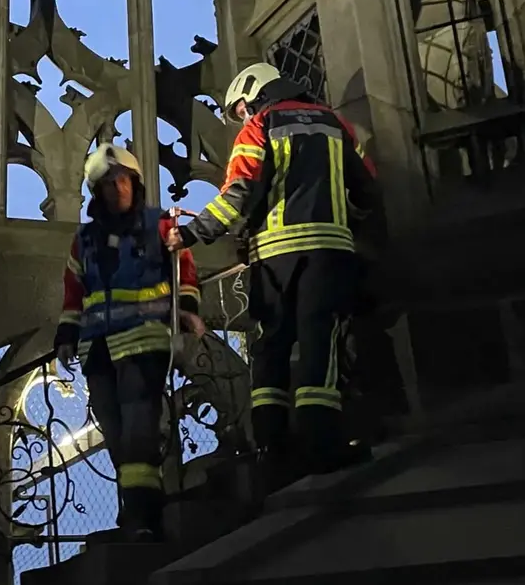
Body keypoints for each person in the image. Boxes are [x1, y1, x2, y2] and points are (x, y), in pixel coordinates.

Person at [165, 63, 380, 476]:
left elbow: (238, 194)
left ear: (255, 93)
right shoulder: (333, 123)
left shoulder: (260, 126)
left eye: (241, 108)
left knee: (271, 349)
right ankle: (322, 442)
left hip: (274, 259)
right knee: (320, 342)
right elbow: (366, 185)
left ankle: (271, 447)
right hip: (327, 252)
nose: (241, 116)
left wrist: (191, 234)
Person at [54, 143, 205, 541]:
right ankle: (134, 507)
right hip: (98, 348)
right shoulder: (84, 239)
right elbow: (74, 291)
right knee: (116, 433)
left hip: (143, 342)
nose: (117, 189)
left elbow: (184, 273)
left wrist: (187, 311)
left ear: (134, 184)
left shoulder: (160, 226)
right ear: (97, 192)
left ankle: (143, 516)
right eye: (108, 184)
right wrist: (67, 333)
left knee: (139, 427)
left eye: (123, 180)